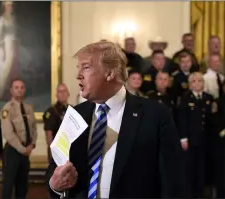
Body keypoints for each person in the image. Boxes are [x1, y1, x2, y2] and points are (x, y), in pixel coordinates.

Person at [46, 41, 186, 198]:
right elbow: (55, 167)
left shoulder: (156, 115)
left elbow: (173, 182)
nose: (78, 75)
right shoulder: (75, 115)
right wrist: (55, 185)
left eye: (85, 67)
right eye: (78, 68)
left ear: (110, 73)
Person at [177, 72, 214, 198]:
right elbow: (181, 119)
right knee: (190, 169)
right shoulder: (185, 98)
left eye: (200, 81)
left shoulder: (208, 98)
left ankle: (200, 194)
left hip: (205, 140)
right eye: (194, 81)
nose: (197, 83)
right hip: (191, 140)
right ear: (189, 84)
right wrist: (183, 138)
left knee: (202, 170)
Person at [1, 79, 38, 199]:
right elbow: (9, 134)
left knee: (22, 186)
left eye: (22, 87)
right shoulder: (7, 109)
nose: (19, 90)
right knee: (8, 185)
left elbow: (34, 129)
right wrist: (23, 149)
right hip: (13, 151)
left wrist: (32, 144)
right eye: (16, 87)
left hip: (26, 152)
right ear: (11, 91)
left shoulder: (28, 108)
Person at [43, 83, 70, 161]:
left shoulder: (73, 109)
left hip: (70, 148)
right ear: (56, 95)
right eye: (60, 92)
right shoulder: (50, 112)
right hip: (57, 149)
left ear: (68, 94)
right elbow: (48, 133)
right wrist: (52, 151)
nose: (62, 94)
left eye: (64, 91)